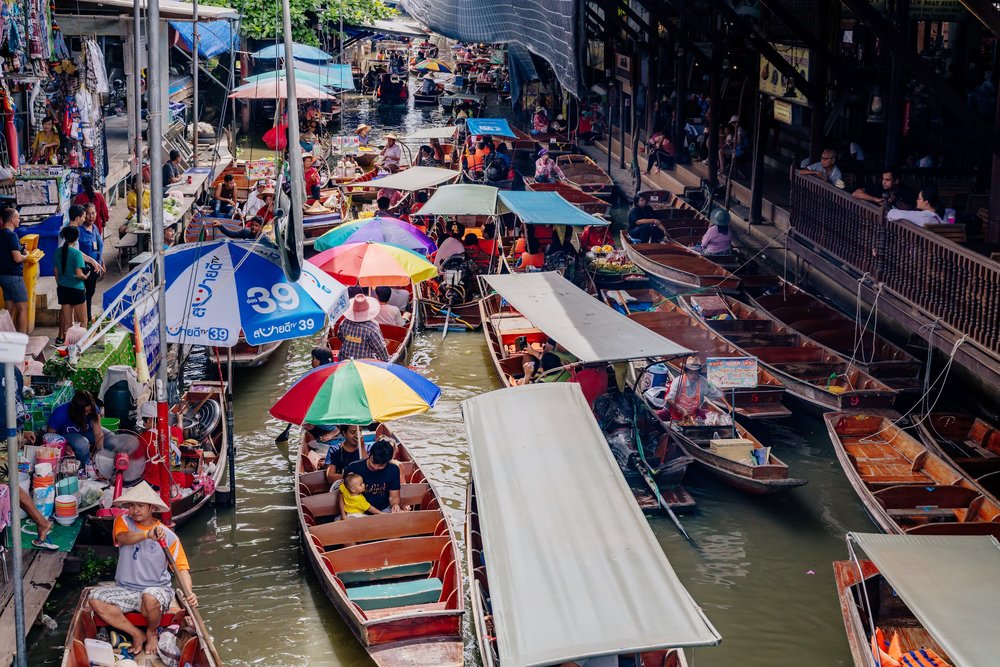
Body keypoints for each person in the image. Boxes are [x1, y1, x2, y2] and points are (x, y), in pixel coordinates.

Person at [88, 482, 197, 656]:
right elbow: (122, 538)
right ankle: (136, 634)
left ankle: (152, 633)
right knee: (94, 599)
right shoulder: (122, 521)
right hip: (126, 589)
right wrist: (147, 534)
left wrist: (189, 593)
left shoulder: (168, 536)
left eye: (140, 506)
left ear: (152, 508)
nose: (134, 510)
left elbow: (181, 568)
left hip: (157, 590)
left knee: (149, 596)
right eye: (131, 505)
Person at [46, 390, 108, 467]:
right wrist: (63, 446)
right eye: (85, 411)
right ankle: (84, 467)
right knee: (83, 444)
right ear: (76, 410)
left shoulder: (93, 409)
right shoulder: (60, 413)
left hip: (86, 431)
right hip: (66, 435)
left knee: (110, 437)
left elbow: (98, 433)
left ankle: (106, 463)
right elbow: (49, 436)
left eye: (89, 410)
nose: (87, 413)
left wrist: (100, 452)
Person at [342, 439, 403, 512]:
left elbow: (394, 497)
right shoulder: (353, 468)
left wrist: (395, 505)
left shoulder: (393, 470)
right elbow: (343, 495)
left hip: (384, 509)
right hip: (356, 510)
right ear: (370, 455)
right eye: (373, 462)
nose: (376, 467)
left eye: (381, 465)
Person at [54, 226, 90, 344]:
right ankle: (83, 346)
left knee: (68, 325)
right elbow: (79, 274)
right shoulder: (76, 253)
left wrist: (61, 284)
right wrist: (87, 276)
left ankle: (69, 349)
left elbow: (56, 273)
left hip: (63, 290)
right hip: (76, 290)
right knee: (83, 322)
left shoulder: (57, 252)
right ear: (76, 238)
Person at [0, 207, 29, 333]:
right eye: (17, 217)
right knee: (23, 308)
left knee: (9, 307)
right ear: (12, 220)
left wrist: (20, 248)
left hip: (3, 276)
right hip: (13, 276)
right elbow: (17, 258)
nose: (19, 220)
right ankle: (21, 342)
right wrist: (26, 255)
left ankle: (7, 340)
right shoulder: (12, 235)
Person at [337, 294, 389, 361]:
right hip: (363, 363)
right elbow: (380, 348)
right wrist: (386, 360)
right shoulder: (372, 328)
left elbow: (340, 336)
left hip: (343, 359)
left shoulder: (344, 322)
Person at [78, 203, 105, 322]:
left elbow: (100, 245)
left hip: (95, 267)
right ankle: (85, 318)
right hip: (84, 267)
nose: (91, 216)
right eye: (88, 214)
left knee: (91, 292)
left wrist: (101, 262)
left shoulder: (95, 228)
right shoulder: (79, 231)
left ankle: (87, 317)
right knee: (84, 294)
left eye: (93, 213)